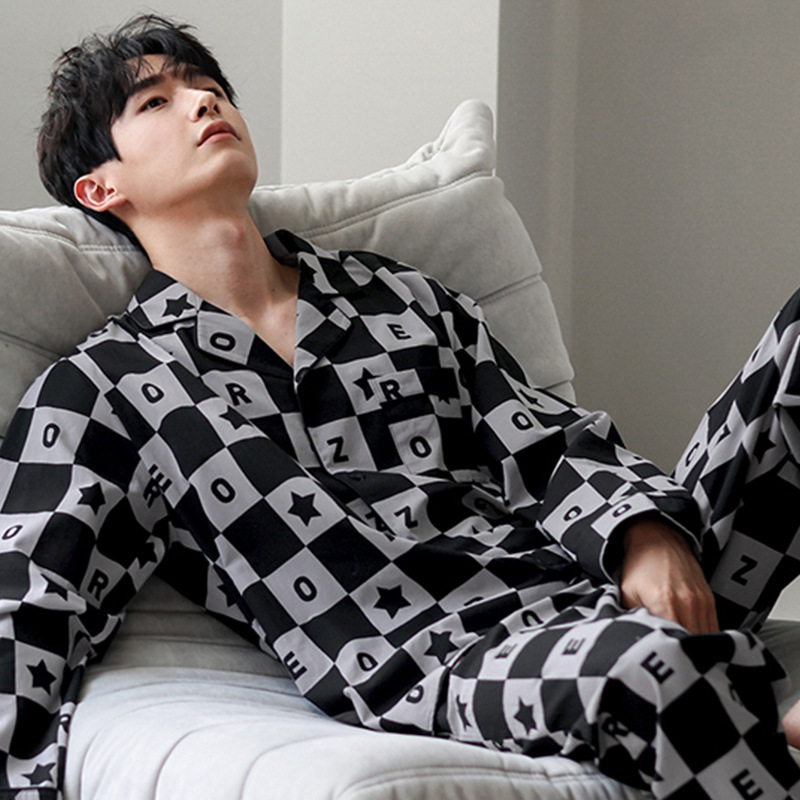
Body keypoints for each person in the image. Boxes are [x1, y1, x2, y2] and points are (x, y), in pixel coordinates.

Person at [2, 13, 800, 800]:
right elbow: (28, 603)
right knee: (648, 671)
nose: (203, 102)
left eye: (208, 86)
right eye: (156, 101)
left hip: (593, 568)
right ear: (100, 187)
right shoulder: (107, 384)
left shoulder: (399, 295)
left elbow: (544, 442)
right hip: (442, 653)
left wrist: (646, 536)